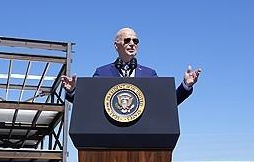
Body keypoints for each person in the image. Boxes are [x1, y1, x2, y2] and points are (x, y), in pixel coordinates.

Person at [60, 27, 201, 105]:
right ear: (116, 45)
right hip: (109, 139)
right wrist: (73, 91)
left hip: (144, 139)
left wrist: (185, 86)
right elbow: (88, 103)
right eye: (127, 40)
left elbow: (166, 104)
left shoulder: (149, 74)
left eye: (136, 40)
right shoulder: (102, 72)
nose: (132, 43)